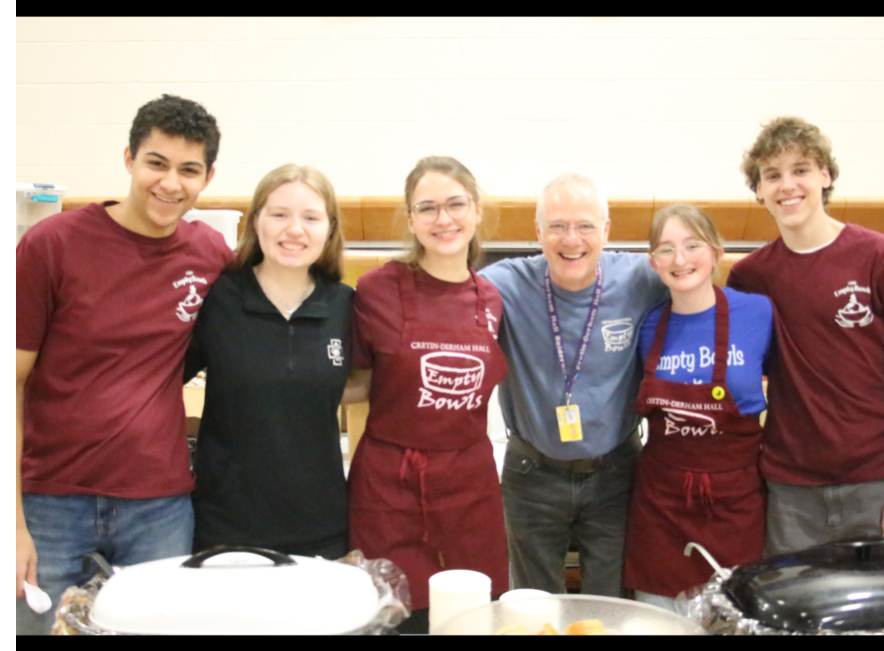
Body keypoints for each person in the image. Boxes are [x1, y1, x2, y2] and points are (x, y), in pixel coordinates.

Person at [16, 95, 232, 635]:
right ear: (129, 158)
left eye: (188, 170)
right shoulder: (51, 245)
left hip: (158, 507)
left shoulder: (210, 255)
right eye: (156, 163)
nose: (169, 183)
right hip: (48, 503)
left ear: (207, 177)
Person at [728, 116, 884, 556]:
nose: (787, 185)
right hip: (788, 491)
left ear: (825, 176)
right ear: (758, 191)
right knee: (792, 620)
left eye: (801, 170)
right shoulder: (749, 278)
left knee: (882, 623)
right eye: (772, 175)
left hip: (877, 485)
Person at [480, 174, 668, 597]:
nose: (571, 240)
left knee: (610, 603)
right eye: (558, 226)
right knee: (531, 605)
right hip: (532, 474)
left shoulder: (641, 279)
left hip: (616, 472)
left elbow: (701, 293)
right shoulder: (506, 284)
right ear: (538, 231)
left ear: (605, 230)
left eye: (584, 225)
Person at [347, 157, 509, 631]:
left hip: (469, 488)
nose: (444, 219)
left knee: (472, 619)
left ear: (476, 211)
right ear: (412, 219)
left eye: (456, 204)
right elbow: (355, 384)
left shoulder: (491, 298)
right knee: (395, 618)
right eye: (428, 208)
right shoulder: (375, 289)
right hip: (389, 488)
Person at [185, 165, 354, 560]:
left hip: (321, 526)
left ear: (329, 229)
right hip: (225, 527)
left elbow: (366, 383)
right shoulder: (217, 299)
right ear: (256, 220)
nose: (294, 229)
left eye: (310, 217)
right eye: (279, 214)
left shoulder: (345, 306)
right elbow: (157, 382)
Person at [623, 205, 773, 610]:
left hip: (735, 504)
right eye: (667, 249)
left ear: (716, 252)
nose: (681, 259)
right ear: (653, 263)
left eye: (693, 245)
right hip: (661, 507)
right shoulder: (648, 326)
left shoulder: (758, 313)